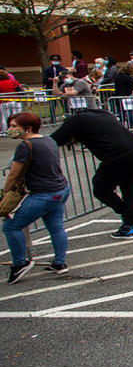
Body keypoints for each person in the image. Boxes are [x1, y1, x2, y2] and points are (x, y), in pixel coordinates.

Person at [50, 107, 133, 238]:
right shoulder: (101, 113)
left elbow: (53, 140)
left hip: (117, 155)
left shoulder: (74, 121)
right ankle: (129, 223)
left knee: (101, 188)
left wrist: (33, 142)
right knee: (128, 187)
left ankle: (129, 215)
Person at [2, 113, 71, 282]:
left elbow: (13, 174)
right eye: (10, 126)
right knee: (55, 226)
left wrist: (5, 193)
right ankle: (59, 263)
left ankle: (20, 263)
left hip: (44, 194)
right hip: (60, 189)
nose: (10, 130)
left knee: (10, 227)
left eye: (14, 126)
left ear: (28, 128)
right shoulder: (49, 140)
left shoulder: (25, 146)